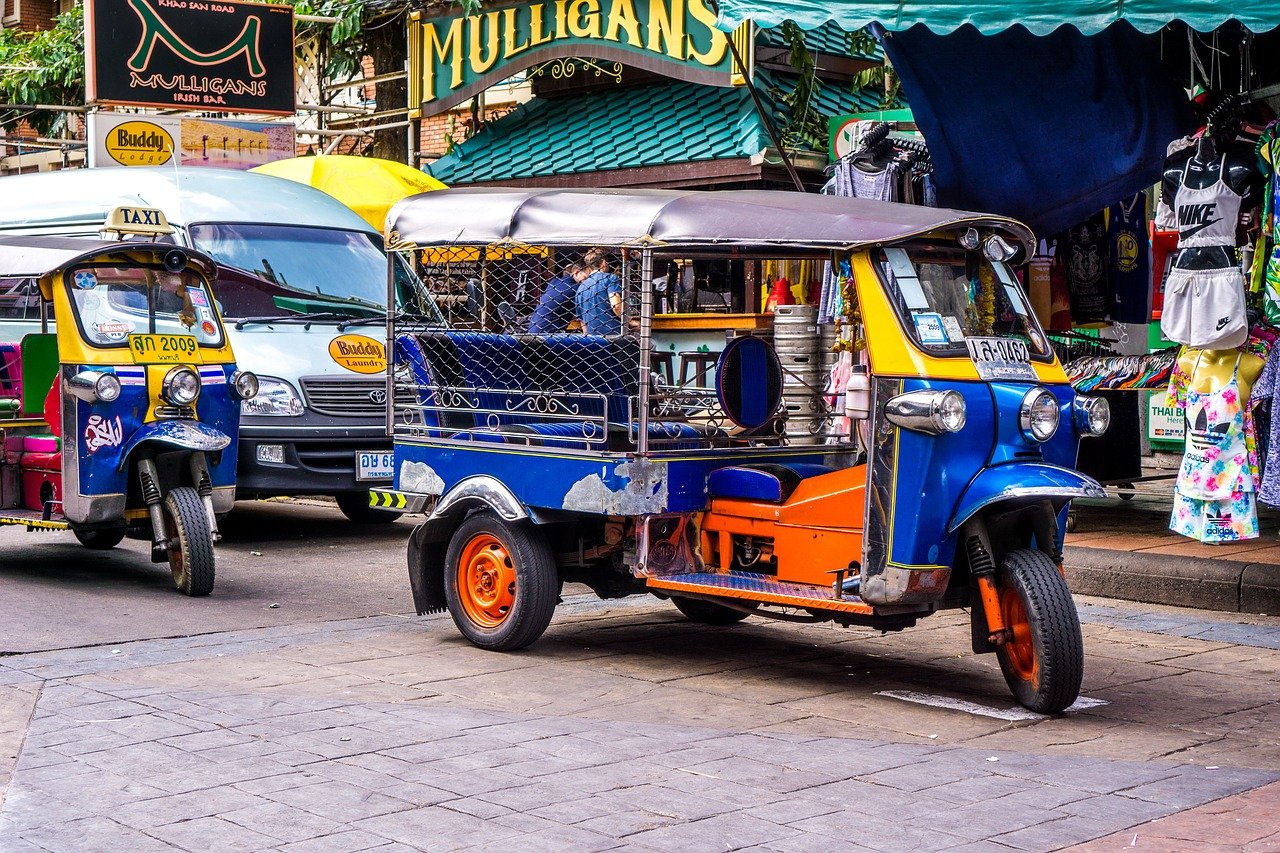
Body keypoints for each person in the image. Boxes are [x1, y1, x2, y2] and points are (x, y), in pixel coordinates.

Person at [575, 248, 622, 335]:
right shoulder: (610, 278)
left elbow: (582, 322)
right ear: (604, 262)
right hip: (614, 335)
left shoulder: (580, 288)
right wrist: (629, 321)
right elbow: (616, 306)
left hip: (592, 339)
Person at [528, 262, 584, 334]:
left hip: (533, 331)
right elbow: (584, 318)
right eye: (587, 276)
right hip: (549, 335)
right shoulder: (576, 288)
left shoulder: (554, 282)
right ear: (576, 272)